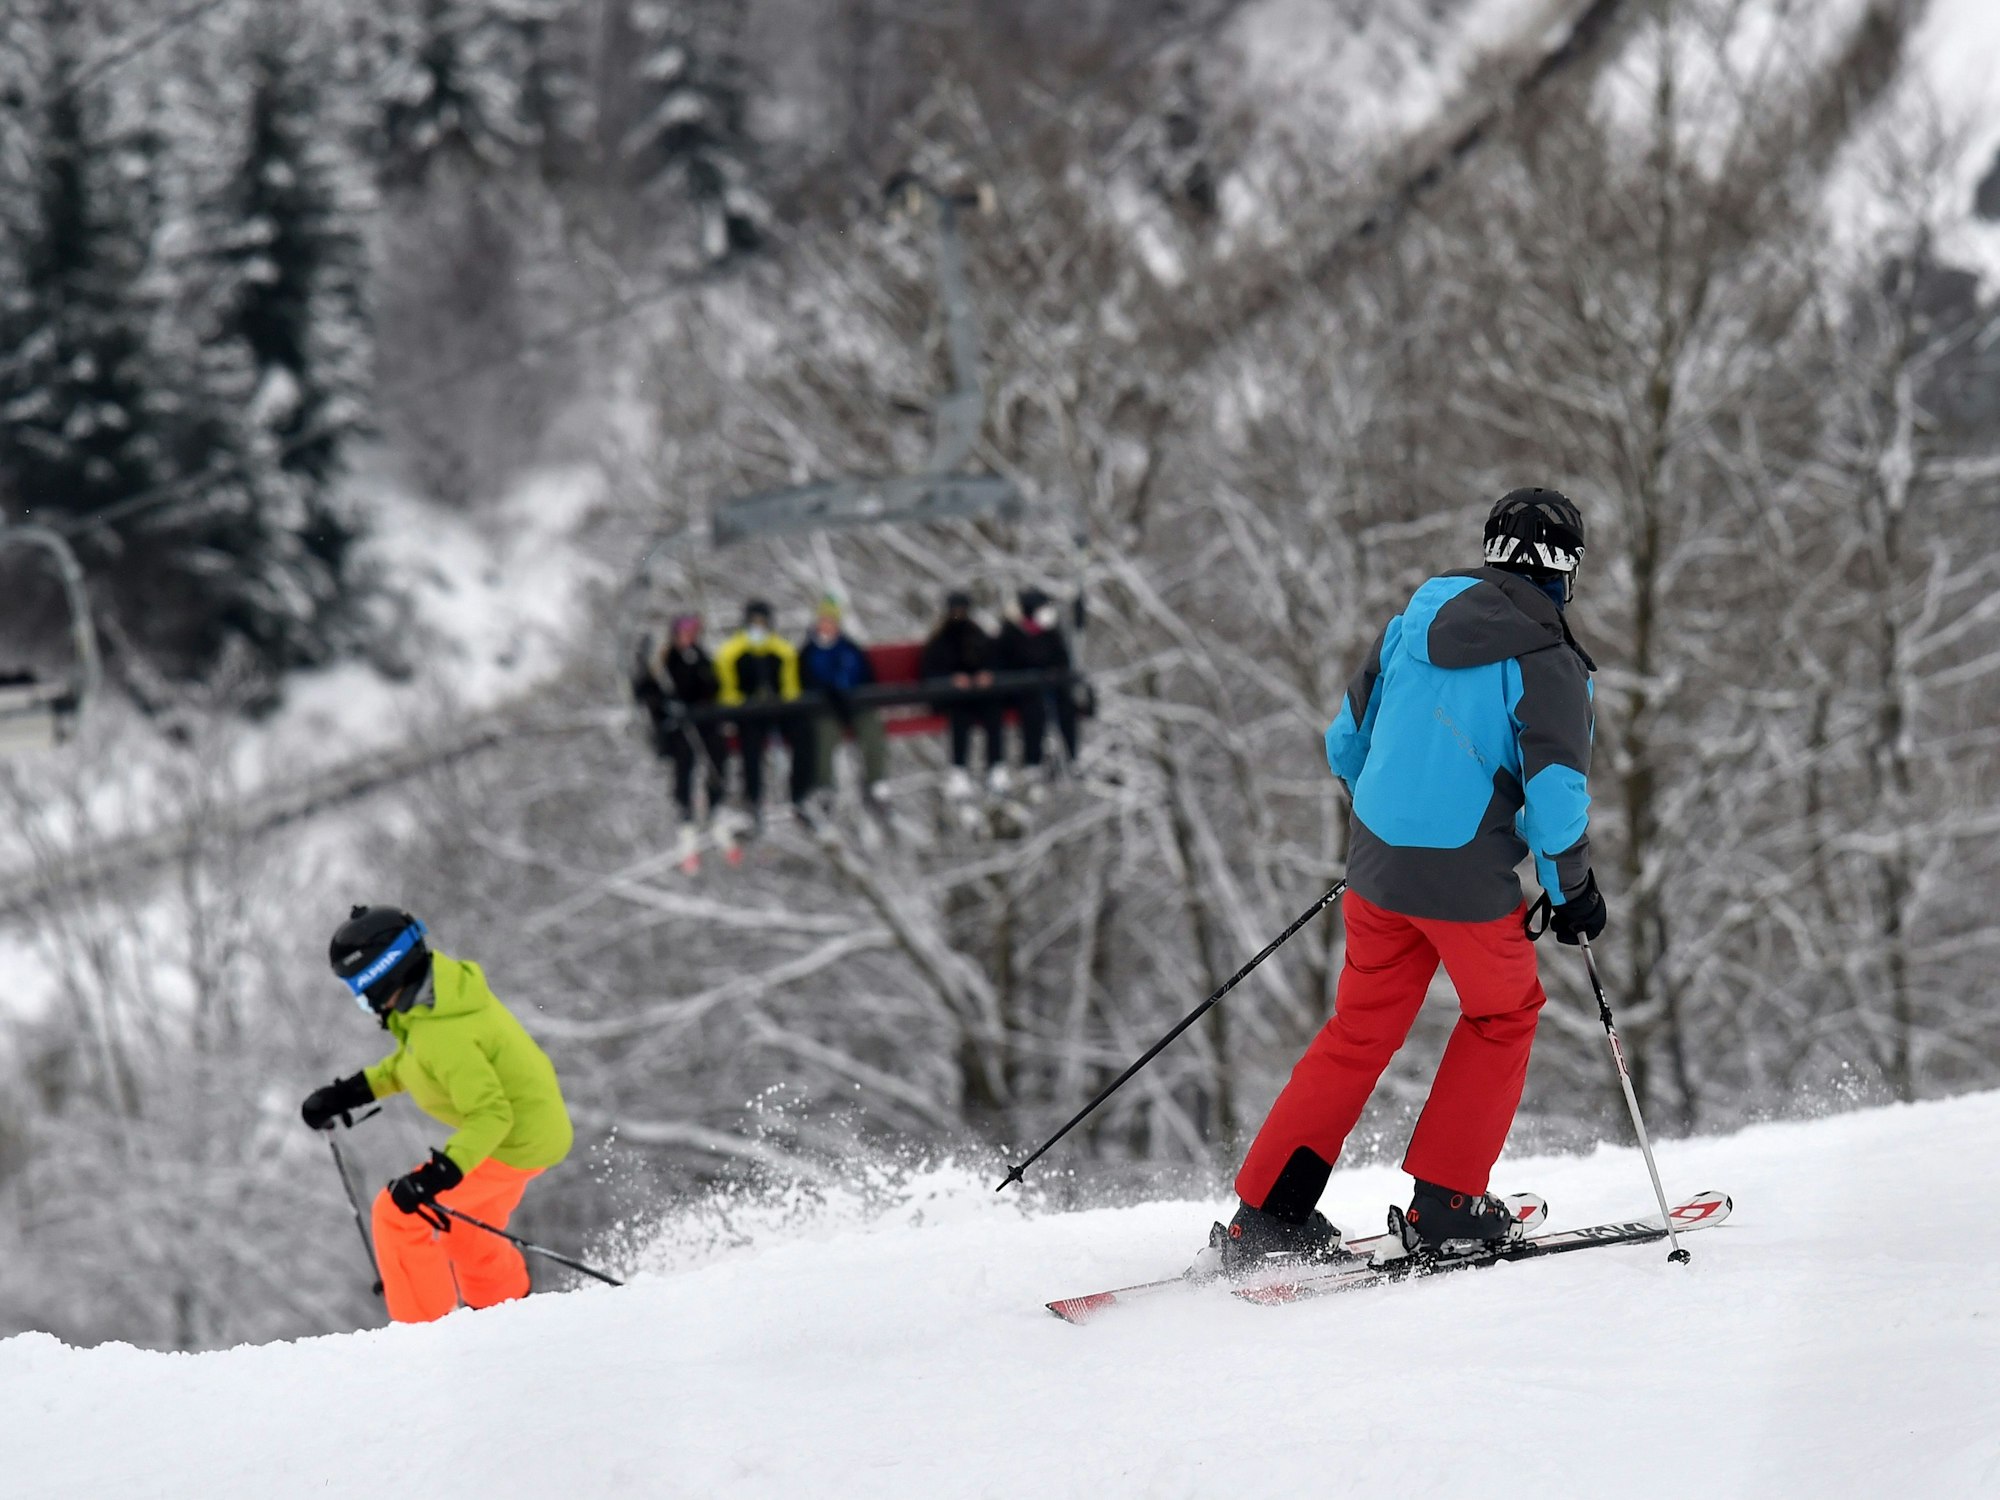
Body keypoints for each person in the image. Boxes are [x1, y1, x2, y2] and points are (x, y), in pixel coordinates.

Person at [1209, 488, 1606, 1275]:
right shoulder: (1549, 660)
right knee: (1504, 1013)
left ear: (1492, 551)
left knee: (1358, 1031)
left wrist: (1397, 834)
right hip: (1467, 885)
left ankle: (1267, 1217)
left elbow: (1345, 745)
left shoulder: (1411, 625)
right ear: (1567, 571)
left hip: (1377, 870)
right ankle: (1449, 1204)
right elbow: (1557, 797)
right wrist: (1571, 893)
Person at [301, 907, 574, 1324]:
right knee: (465, 1230)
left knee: (398, 1213)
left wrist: (436, 1175)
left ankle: (422, 1341)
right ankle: (508, 1318)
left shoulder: (444, 1031)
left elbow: (490, 1115)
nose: (363, 1003)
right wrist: (347, 1093)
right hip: (532, 1131)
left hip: (515, 1140)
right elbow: (412, 1066)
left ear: (383, 975)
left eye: (360, 991)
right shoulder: (434, 1005)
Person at [632, 616, 728, 850]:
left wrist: (702, 705)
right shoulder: (664, 661)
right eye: (683, 633)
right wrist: (665, 705)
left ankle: (715, 807)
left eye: (692, 632)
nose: (687, 637)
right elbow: (645, 692)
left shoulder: (702, 658)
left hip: (703, 723)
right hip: (677, 728)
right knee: (685, 765)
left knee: (716, 759)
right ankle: (686, 814)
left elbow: (714, 688)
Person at [715, 599, 811, 825]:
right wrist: (744, 703)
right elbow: (727, 691)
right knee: (751, 744)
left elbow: (790, 688)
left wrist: (781, 702)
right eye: (754, 622)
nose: (758, 628)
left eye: (762, 622)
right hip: (749, 713)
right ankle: (753, 797)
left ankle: (801, 794)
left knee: (803, 734)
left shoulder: (780, 651)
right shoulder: (732, 652)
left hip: (777, 711)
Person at [798, 595, 889, 807]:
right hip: (825, 710)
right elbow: (805, 685)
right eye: (824, 620)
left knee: (872, 728)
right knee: (824, 734)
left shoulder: (850, 649)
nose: (827, 625)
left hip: (855, 705)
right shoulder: (808, 653)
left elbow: (867, 677)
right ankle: (824, 786)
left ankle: (876, 782)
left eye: (832, 621)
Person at [920, 590, 1006, 797]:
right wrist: (952, 680)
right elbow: (930, 671)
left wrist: (986, 675)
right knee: (960, 716)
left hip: (977, 694)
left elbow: (991, 660)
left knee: (993, 712)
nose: (959, 614)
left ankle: (996, 766)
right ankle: (958, 769)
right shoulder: (939, 638)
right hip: (951, 697)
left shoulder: (976, 633)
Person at [996, 587, 1080, 792]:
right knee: (1034, 712)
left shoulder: (1050, 632)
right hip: (1022, 690)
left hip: (1049, 686)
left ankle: (1070, 757)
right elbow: (1004, 663)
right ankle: (1033, 760)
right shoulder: (1011, 632)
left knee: (1066, 707)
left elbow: (1062, 660)